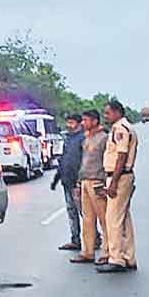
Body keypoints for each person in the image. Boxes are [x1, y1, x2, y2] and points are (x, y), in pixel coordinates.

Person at [98, 100, 139, 273]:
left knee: (113, 218)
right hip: (123, 176)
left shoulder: (120, 129)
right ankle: (129, 256)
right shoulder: (125, 127)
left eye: (107, 113)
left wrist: (113, 183)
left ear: (117, 113)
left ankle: (117, 259)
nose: (105, 116)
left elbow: (121, 156)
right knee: (124, 218)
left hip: (119, 177)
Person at [69, 109, 108, 265]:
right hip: (85, 181)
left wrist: (106, 183)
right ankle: (87, 252)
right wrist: (79, 183)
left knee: (104, 220)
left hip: (97, 181)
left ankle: (108, 252)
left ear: (95, 121)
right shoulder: (86, 138)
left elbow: (108, 162)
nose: (83, 123)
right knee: (87, 219)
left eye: (86, 120)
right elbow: (83, 162)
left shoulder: (104, 138)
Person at [50, 113, 83, 251]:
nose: (68, 125)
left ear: (79, 124)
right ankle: (75, 240)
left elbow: (85, 162)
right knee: (71, 211)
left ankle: (94, 239)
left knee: (85, 213)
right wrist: (56, 179)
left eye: (71, 123)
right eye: (67, 122)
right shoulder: (68, 139)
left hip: (79, 183)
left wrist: (80, 182)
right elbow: (63, 160)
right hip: (67, 181)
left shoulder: (84, 138)